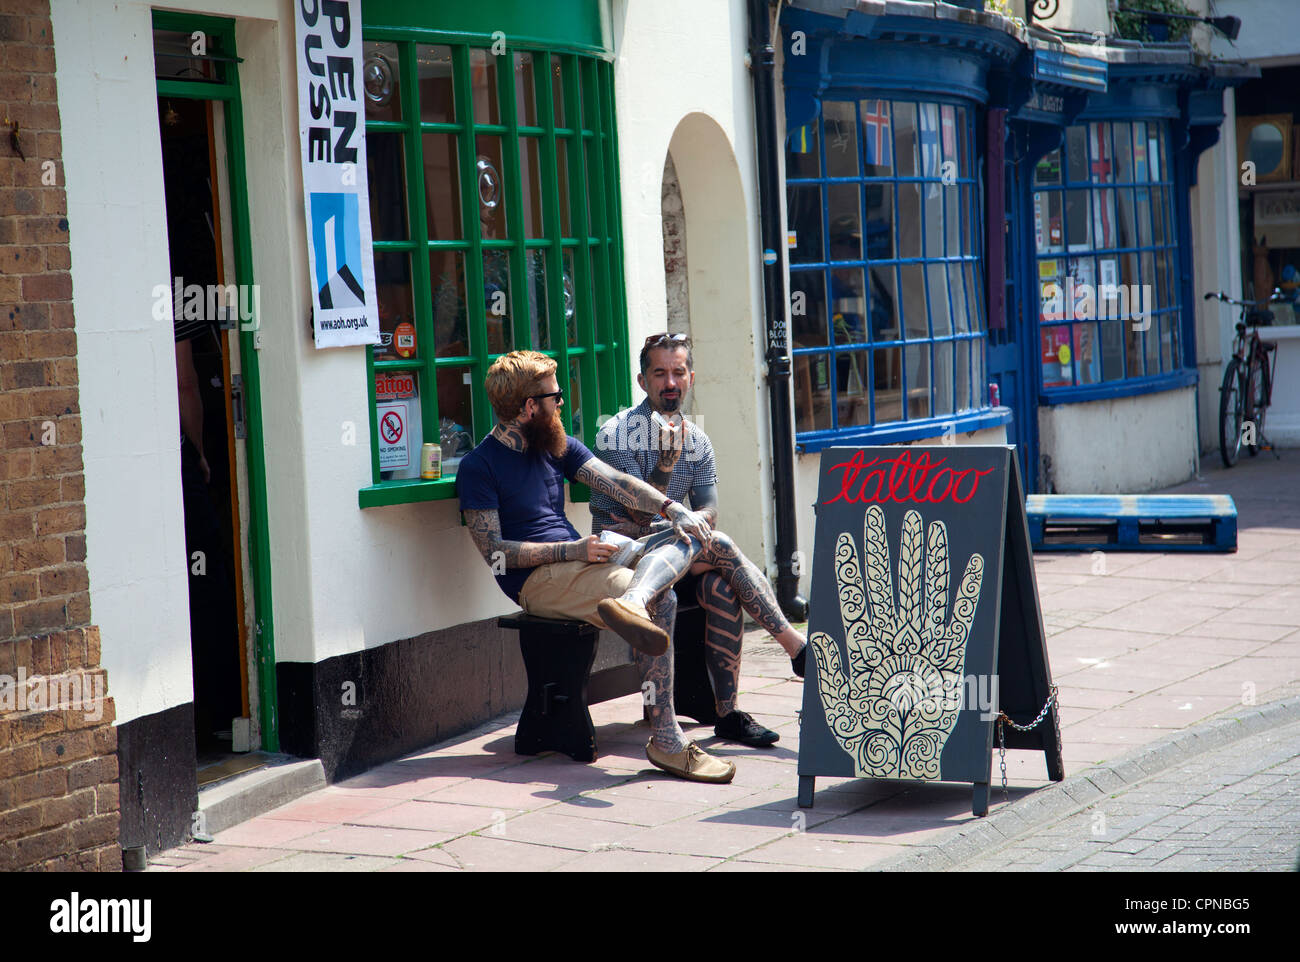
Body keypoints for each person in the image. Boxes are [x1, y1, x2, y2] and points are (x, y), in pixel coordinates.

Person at [457, 351, 737, 783]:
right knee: (664, 596)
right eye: (555, 396)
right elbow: (496, 552)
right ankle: (666, 741)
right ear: (530, 406)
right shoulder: (479, 466)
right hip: (538, 580)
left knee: (691, 535)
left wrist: (671, 508)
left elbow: (617, 483)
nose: (562, 403)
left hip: (584, 559)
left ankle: (633, 599)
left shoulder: (554, 445)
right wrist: (572, 551)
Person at [591, 333, 809, 749]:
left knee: (720, 586)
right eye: (660, 373)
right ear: (642, 380)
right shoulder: (616, 433)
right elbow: (637, 515)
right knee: (718, 543)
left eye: (678, 372)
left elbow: (708, 510)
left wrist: (680, 521)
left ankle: (726, 715)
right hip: (623, 557)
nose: (670, 382)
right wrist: (666, 467)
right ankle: (796, 646)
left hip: (678, 553)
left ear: (691, 378)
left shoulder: (699, 440)